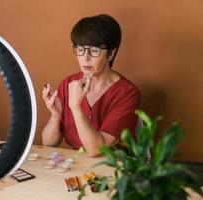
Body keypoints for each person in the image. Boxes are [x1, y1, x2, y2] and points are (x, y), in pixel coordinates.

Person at [41, 14, 141, 157]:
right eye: (80, 49)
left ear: (111, 54)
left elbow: (96, 150)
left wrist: (75, 107)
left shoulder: (128, 93)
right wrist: (55, 116)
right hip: (76, 165)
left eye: (94, 50)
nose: (85, 58)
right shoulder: (68, 84)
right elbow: (48, 143)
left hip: (113, 168)